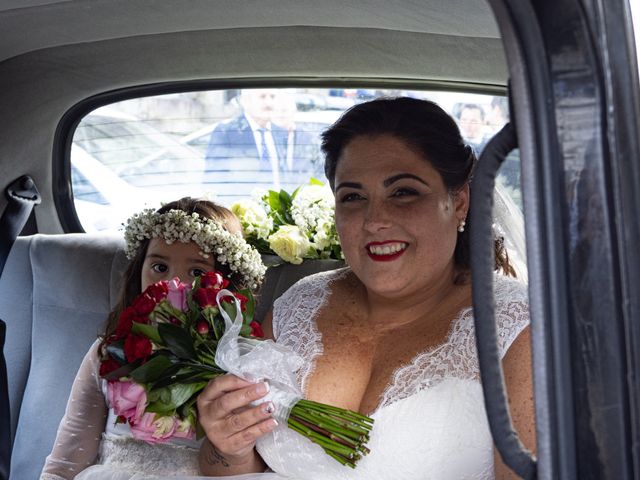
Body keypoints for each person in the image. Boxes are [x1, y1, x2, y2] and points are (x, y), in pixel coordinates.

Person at [196, 97, 535, 479]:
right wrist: (230, 447)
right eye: (353, 197)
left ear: (458, 202)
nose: (375, 220)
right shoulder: (299, 306)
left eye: (403, 192)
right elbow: (232, 466)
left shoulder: (517, 330)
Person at [40, 197, 267, 479]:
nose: (172, 283)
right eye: (159, 267)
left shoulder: (240, 364)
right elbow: (65, 463)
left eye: (197, 272)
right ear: (140, 271)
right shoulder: (108, 352)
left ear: (225, 284)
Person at [204, 89, 289, 189]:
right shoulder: (226, 132)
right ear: (246, 101)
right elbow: (213, 181)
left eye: (272, 97)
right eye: (262, 96)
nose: (269, 103)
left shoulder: (280, 133)